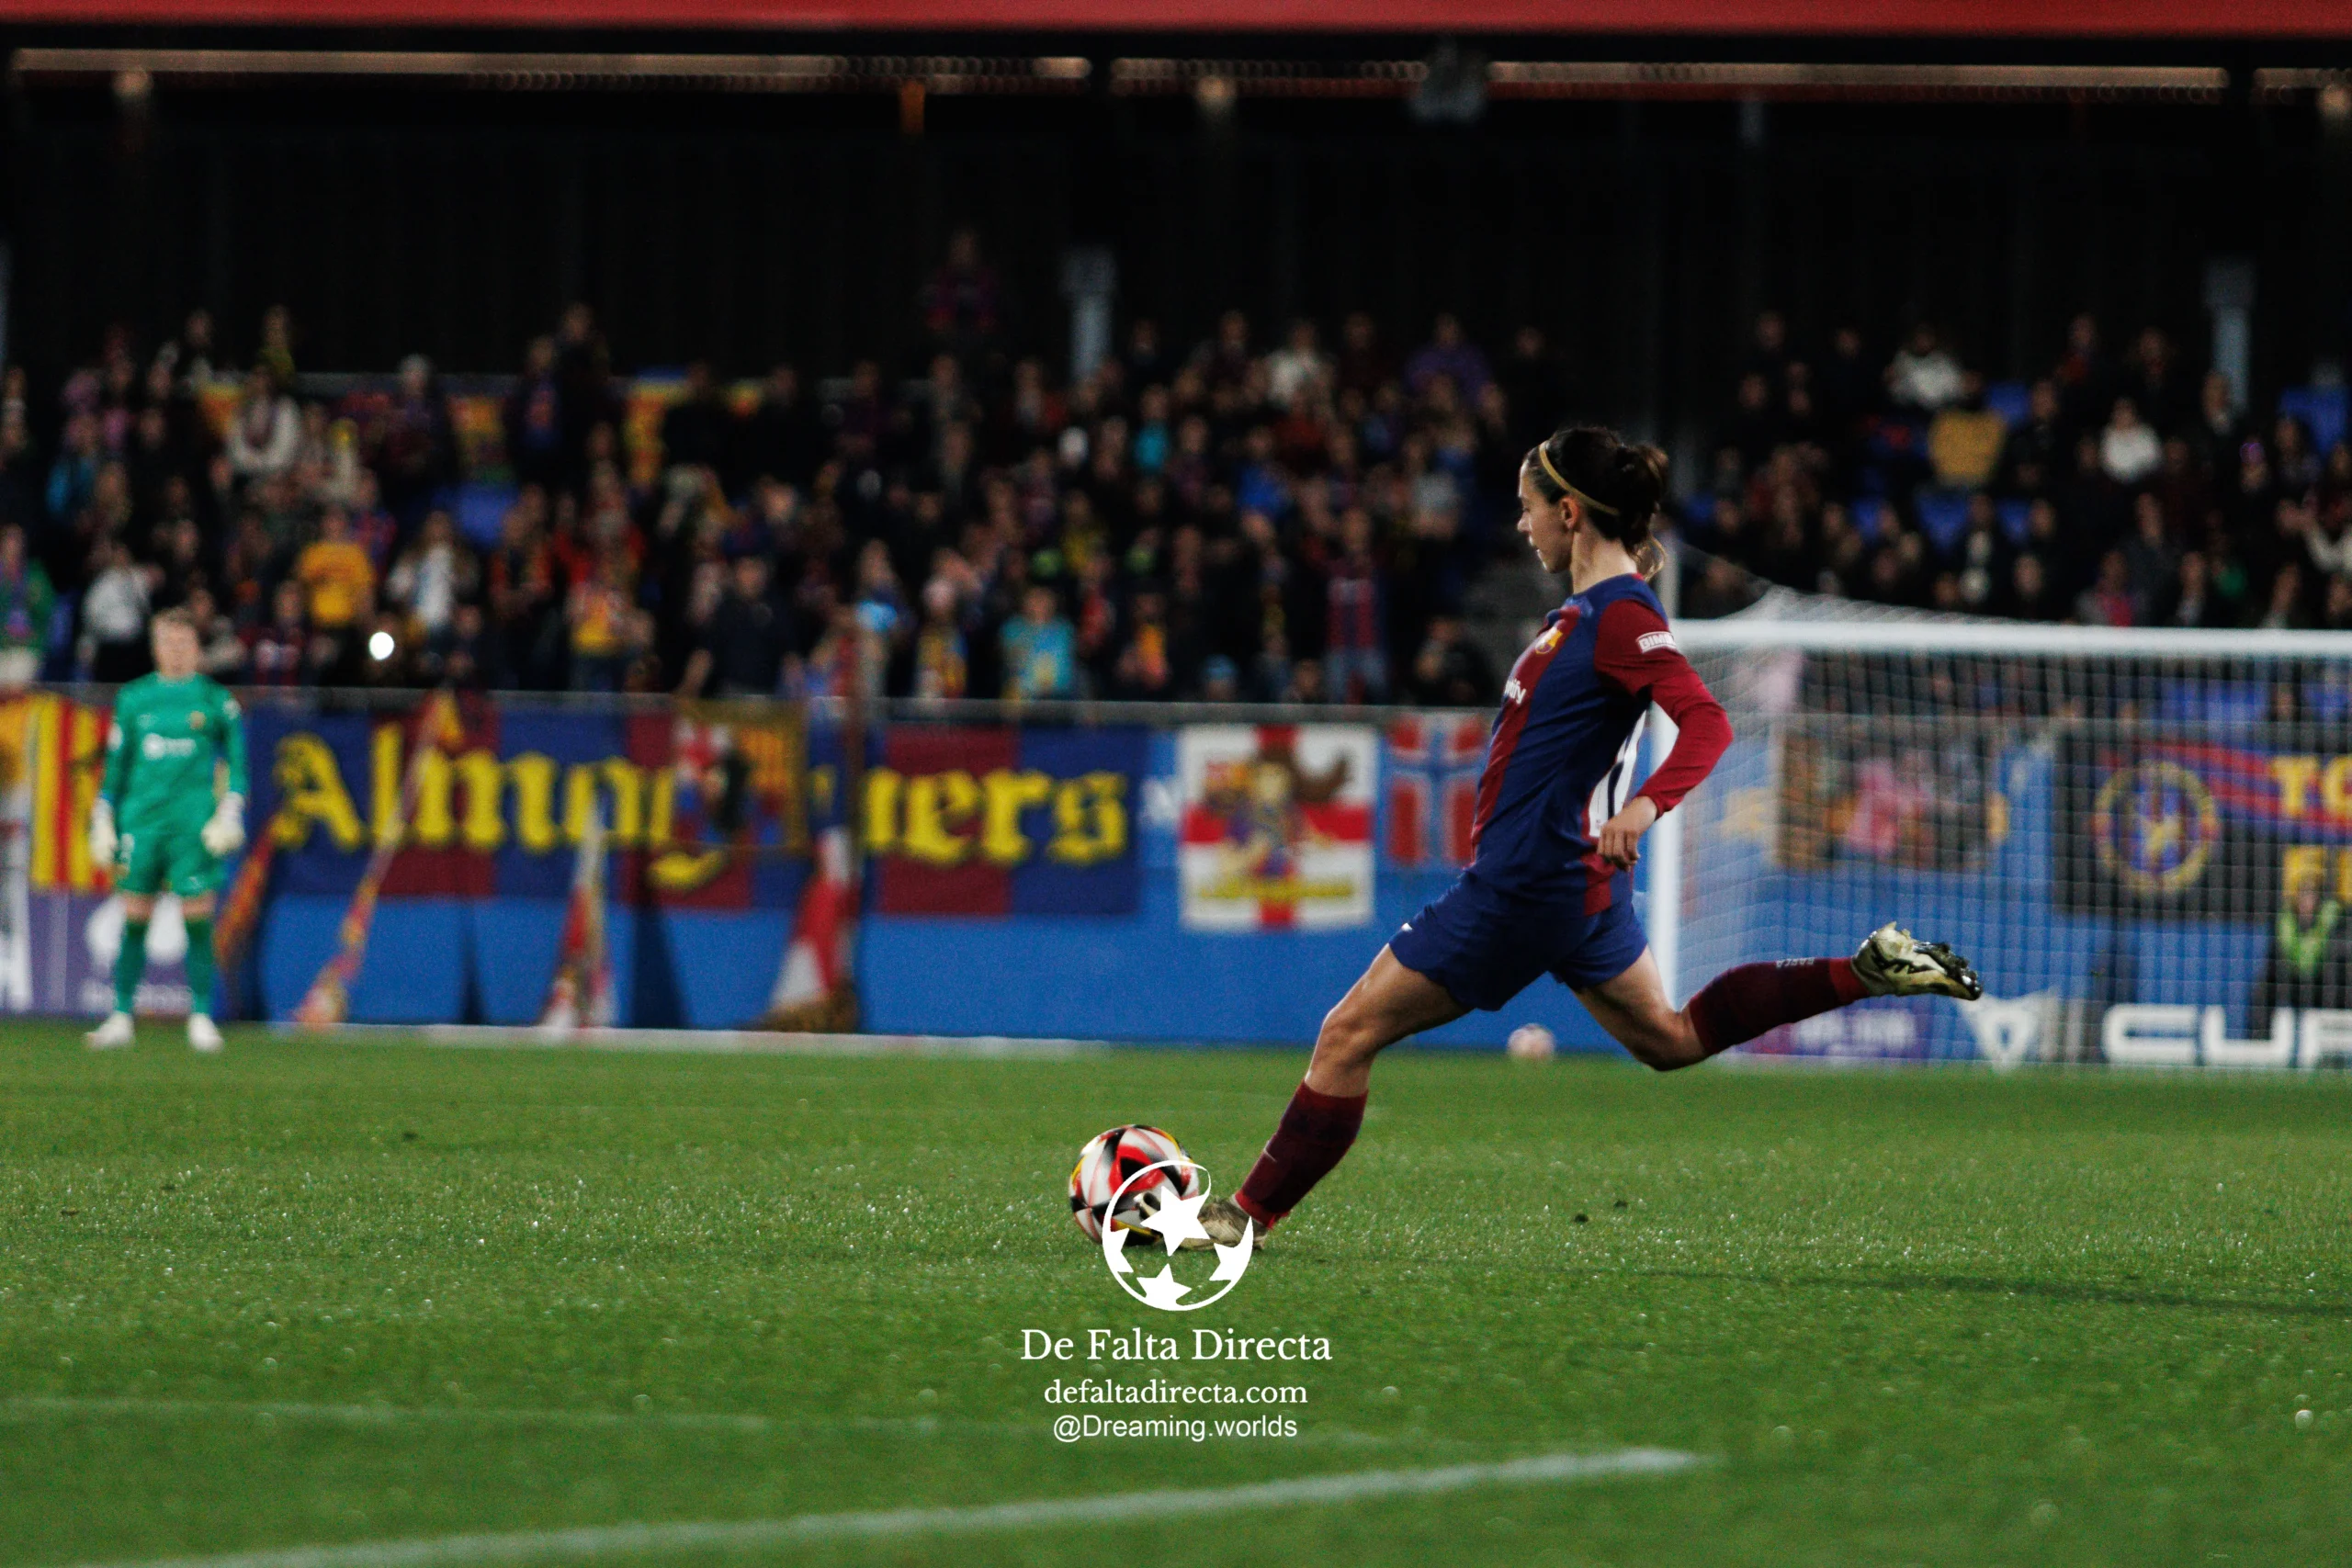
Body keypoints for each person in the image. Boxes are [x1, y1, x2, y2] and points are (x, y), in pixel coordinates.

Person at [1189, 425, 1982, 1247]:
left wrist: (1643, 808)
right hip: (1581, 890)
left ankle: (1239, 1218)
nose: (1521, 525)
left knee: (1346, 1034)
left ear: (1569, 512)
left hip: (1528, 886)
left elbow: (1707, 722)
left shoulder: (1620, 616)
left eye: (1529, 508)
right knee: (1669, 1038)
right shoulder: (1585, 614)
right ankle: (1862, 972)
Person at [85, 608, 250, 1054]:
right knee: (134, 915)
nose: (176, 651)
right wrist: (102, 814)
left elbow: (238, 764)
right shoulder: (134, 699)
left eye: (183, 643)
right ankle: (121, 1015)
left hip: (193, 826)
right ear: (155, 647)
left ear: (197, 647)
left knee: (197, 917)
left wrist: (230, 811)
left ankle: (200, 1016)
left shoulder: (216, 700)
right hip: (142, 822)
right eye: (167, 643)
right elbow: (117, 766)